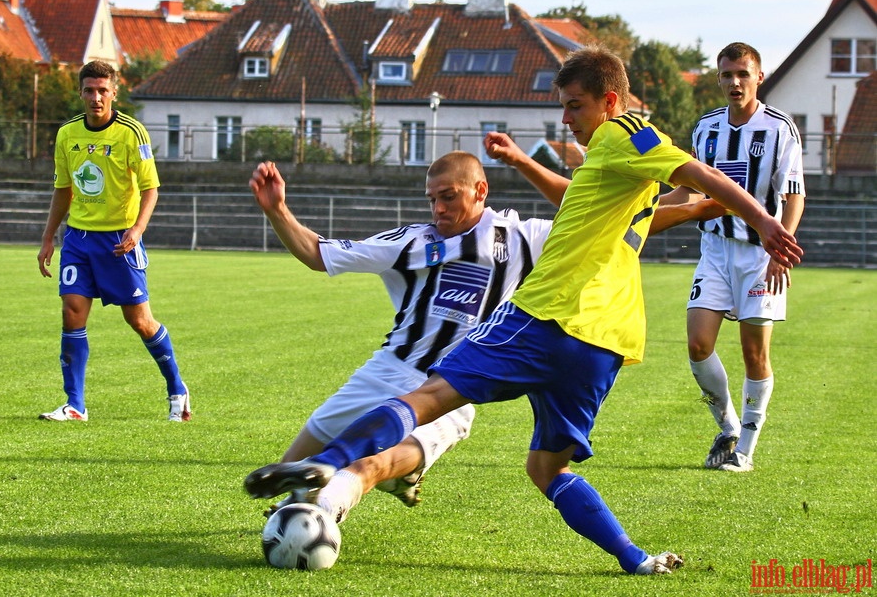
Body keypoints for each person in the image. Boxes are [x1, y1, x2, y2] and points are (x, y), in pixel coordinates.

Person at [243, 45, 802, 575]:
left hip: (550, 311)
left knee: (431, 395)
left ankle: (331, 467)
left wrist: (766, 223)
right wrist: (704, 208)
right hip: (606, 343)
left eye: (574, 105)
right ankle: (636, 558)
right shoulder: (617, 168)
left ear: (610, 101)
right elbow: (617, 211)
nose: (566, 120)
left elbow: (700, 173)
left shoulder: (626, 131)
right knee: (546, 469)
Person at [249, 152, 721, 525]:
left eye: (448, 197)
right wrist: (278, 210)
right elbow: (318, 253)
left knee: (390, 455)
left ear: (480, 190)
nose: (438, 209)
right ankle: (316, 502)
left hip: (461, 379)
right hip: (391, 368)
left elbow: (615, 228)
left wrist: (695, 207)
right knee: (291, 471)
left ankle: (356, 492)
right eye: (431, 199)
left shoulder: (524, 236)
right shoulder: (412, 240)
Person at [36, 60, 190, 422]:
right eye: (89, 90)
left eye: (102, 90)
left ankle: (177, 389)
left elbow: (151, 189)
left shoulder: (132, 133)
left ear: (114, 93)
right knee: (72, 313)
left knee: (139, 321)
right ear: (80, 92)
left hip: (120, 241)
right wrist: (48, 238)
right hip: (78, 239)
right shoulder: (67, 134)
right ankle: (75, 405)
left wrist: (136, 231)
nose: (96, 97)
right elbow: (63, 189)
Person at [682, 43, 805, 473]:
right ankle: (728, 425)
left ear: (759, 77)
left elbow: (793, 194)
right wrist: (649, 207)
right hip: (714, 250)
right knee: (698, 344)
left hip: (758, 254)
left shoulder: (779, 128)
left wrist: (779, 248)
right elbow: (691, 187)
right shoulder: (705, 128)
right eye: (726, 75)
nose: (735, 82)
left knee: (755, 353)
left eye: (742, 74)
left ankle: (746, 450)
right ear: (718, 79)